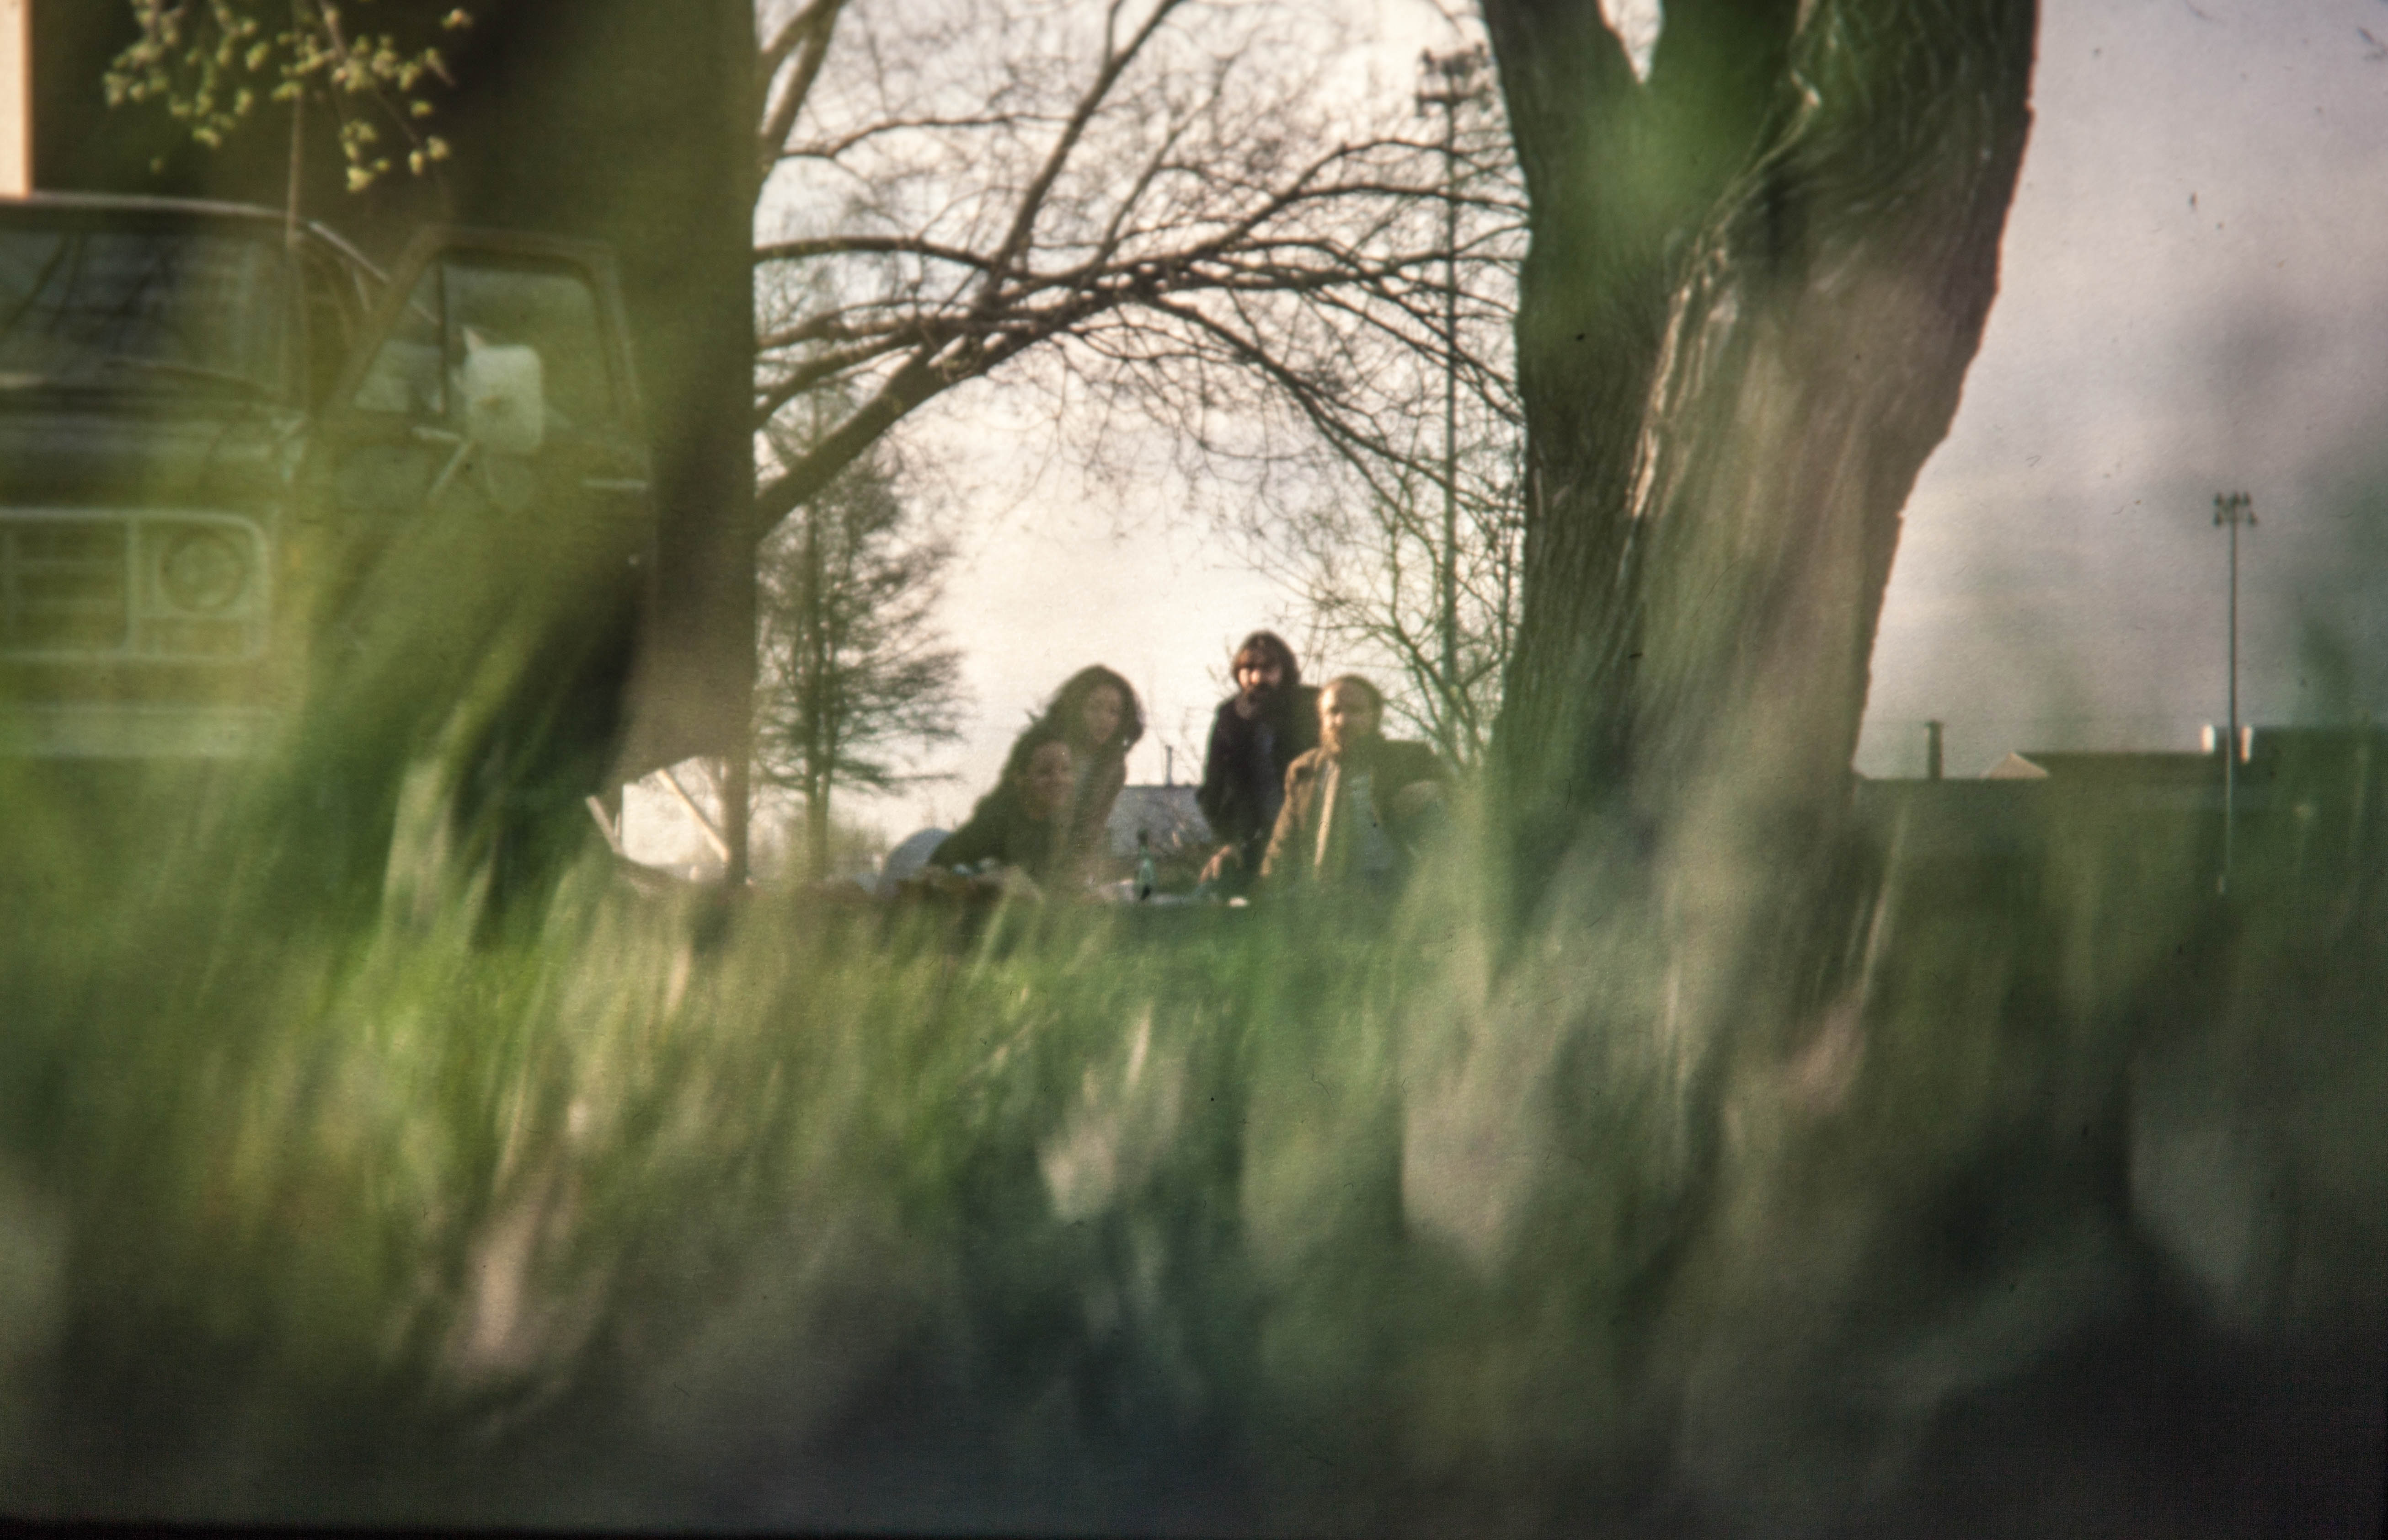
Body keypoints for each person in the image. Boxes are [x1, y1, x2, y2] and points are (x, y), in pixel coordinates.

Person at [1260, 674, 1447, 892]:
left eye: (1355, 711)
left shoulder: (1409, 758)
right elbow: (1281, 847)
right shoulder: (1304, 770)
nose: (1343, 721)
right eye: (1333, 711)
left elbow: (1465, 797)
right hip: (1320, 896)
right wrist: (1264, 895)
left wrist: (1436, 788)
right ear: (1321, 718)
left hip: (1390, 893)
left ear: (1374, 716)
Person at [1195, 631, 1319, 894]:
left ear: (1284, 670)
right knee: (1209, 896)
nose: (1257, 678)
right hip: (1252, 842)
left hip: (1311, 839)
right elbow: (1214, 789)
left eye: (1268, 669)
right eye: (1249, 669)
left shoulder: (1311, 707)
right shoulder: (1230, 717)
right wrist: (1228, 840)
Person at [929, 721, 1080, 893]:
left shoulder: (1060, 826)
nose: (1059, 780)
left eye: (1066, 770)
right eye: (1045, 772)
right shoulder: (995, 823)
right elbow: (940, 864)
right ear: (1019, 778)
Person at [1026, 664, 1143, 881]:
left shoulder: (1114, 768)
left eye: (1113, 712)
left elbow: (1092, 831)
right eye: (1094, 708)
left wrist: (1075, 877)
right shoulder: (1049, 749)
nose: (1104, 719)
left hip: (1067, 874)